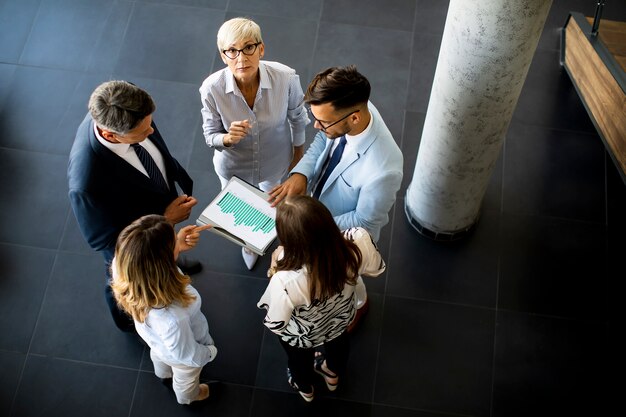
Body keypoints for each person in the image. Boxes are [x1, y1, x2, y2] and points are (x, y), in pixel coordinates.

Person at [268, 65, 403, 331]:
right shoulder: (351, 109)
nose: (317, 126)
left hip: (341, 237)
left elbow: (363, 220)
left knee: (346, 279)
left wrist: (306, 223)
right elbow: (323, 140)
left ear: (354, 118)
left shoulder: (384, 168)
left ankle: (360, 305)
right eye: (315, 117)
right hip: (319, 214)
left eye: (323, 121)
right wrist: (302, 174)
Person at [68, 80, 200, 332]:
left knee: (170, 253)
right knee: (118, 282)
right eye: (143, 132)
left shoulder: (126, 105)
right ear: (110, 134)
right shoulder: (86, 183)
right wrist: (165, 220)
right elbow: (104, 242)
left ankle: (171, 262)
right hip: (136, 244)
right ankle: (127, 320)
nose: (151, 132)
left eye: (150, 123)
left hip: (157, 202)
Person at [199, 17, 309, 270]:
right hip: (233, 166)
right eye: (232, 51)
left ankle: (283, 239)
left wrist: (298, 157)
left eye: (249, 48)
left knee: (276, 204)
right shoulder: (211, 89)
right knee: (241, 210)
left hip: (275, 160)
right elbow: (209, 136)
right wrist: (227, 138)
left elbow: (298, 118)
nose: (241, 58)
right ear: (223, 55)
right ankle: (249, 243)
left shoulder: (286, 78)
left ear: (261, 48)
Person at [257, 195, 386, 402]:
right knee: (339, 346)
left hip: (302, 336)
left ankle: (305, 388)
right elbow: (376, 269)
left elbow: (276, 322)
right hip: (341, 319)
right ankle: (331, 373)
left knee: (298, 361)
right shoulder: (359, 240)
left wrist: (274, 268)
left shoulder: (286, 280)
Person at [110, 215, 218, 405]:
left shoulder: (126, 267)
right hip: (183, 353)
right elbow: (187, 355)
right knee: (186, 377)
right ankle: (189, 397)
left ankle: (163, 374)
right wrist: (209, 352)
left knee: (159, 354)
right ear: (162, 264)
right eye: (173, 241)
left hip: (154, 339)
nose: (178, 239)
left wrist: (174, 248)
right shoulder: (173, 318)